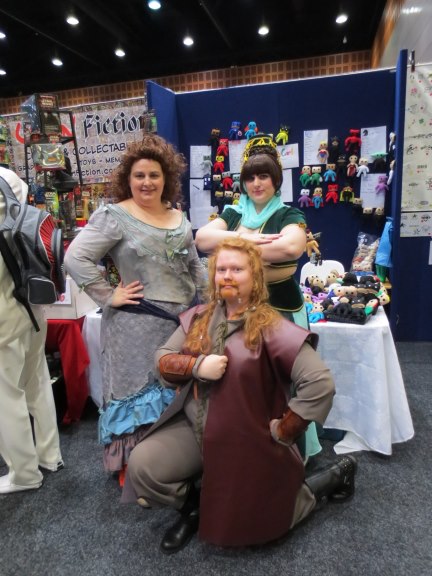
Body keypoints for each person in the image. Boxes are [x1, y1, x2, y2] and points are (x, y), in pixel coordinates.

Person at [122, 237, 357, 554]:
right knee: (144, 465)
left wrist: (285, 429)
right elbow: (162, 359)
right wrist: (196, 365)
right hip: (195, 430)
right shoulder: (199, 318)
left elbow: (319, 382)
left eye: (237, 269)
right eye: (221, 269)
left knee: (268, 521)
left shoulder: (272, 327)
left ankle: (335, 475)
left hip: (247, 440)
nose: (227, 276)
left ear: (255, 277)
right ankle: (193, 509)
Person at [64, 134, 207, 475]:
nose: (147, 182)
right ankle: (133, 468)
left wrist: (214, 304)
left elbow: (194, 266)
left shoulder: (178, 218)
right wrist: (107, 294)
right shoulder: (115, 216)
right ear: (127, 179)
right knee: (137, 393)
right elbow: (75, 257)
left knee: (173, 390)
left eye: (154, 175)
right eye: (139, 175)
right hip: (134, 327)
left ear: (165, 179)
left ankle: (171, 464)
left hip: (179, 325)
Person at [195, 133, 320, 458]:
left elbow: (291, 247)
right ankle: (249, 449)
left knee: (283, 379)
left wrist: (232, 246)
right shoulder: (234, 213)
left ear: (276, 181)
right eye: (250, 177)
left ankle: (290, 453)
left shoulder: (288, 214)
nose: (256, 183)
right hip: (239, 309)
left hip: (280, 307)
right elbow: (202, 240)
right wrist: (251, 242)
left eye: (264, 176)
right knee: (244, 379)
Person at [0, 166, 63, 495]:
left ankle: (24, 474)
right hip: (33, 306)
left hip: (4, 317)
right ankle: (50, 456)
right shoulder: (7, 178)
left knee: (6, 397)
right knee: (37, 383)